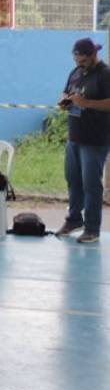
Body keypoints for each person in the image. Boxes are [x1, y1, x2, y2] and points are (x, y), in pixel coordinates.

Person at [56, 37, 110, 243]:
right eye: (76, 60)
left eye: (84, 61)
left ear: (93, 55)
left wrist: (87, 103)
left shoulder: (105, 74)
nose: (80, 64)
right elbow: (68, 92)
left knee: (91, 184)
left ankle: (92, 228)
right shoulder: (76, 72)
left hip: (95, 139)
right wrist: (65, 101)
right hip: (74, 136)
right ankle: (73, 219)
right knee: (73, 180)